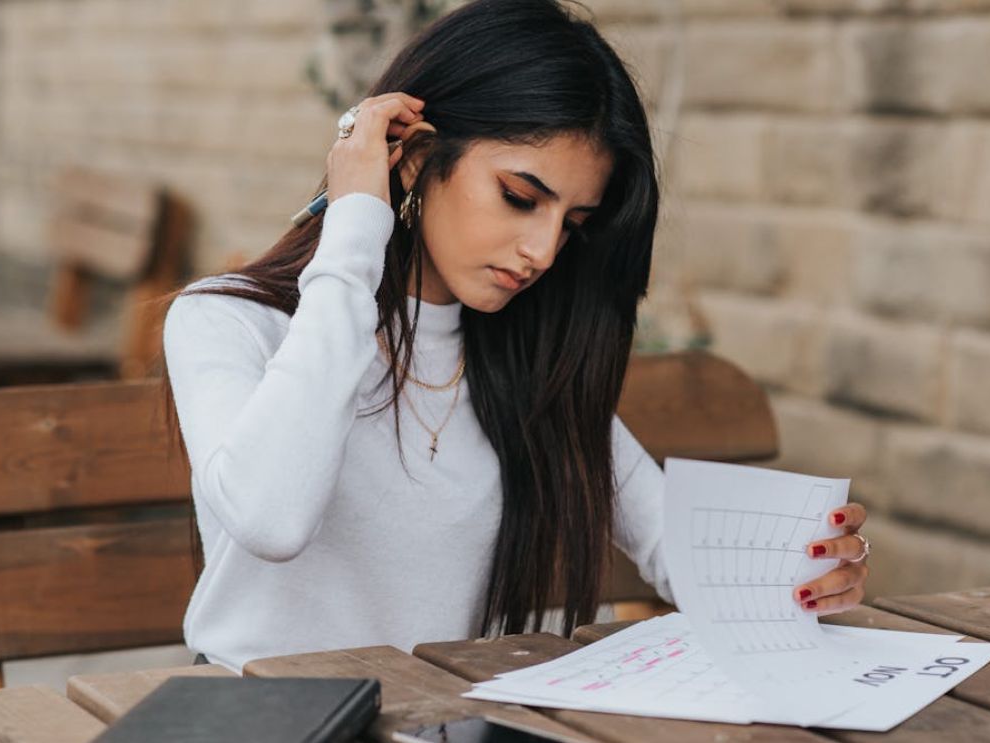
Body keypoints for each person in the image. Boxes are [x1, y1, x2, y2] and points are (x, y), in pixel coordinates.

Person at [162, 0, 870, 674]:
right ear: (414, 156)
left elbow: (673, 546)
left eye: (572, 224)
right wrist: (354, 226)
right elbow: (273, 519)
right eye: (520, 197)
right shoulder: (227, 321)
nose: (543, 250)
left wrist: (805, 569)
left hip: (447, 722)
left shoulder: (523, 361)